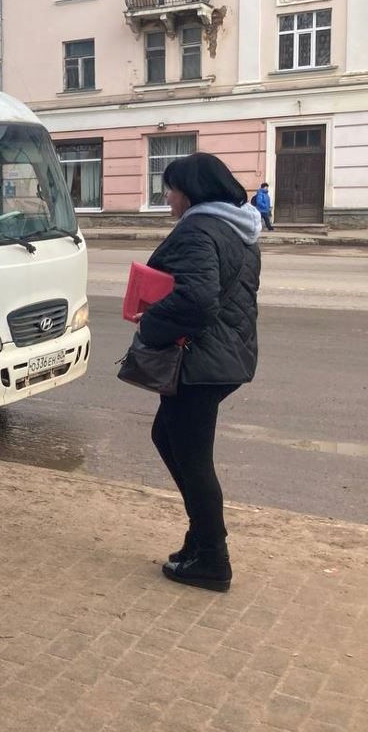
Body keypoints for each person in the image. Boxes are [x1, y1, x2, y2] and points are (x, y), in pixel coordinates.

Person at [139, 152, 262, 592]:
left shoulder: (197, 229)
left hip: (198, 361)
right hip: (226, 356)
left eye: (170, 187)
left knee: (193, 458)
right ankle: (200, 538)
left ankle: (212, 557)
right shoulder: (238, 226)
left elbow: (197, 300)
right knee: (167, 437)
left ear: (189, 191)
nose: (166, 195)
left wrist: (149, 321)